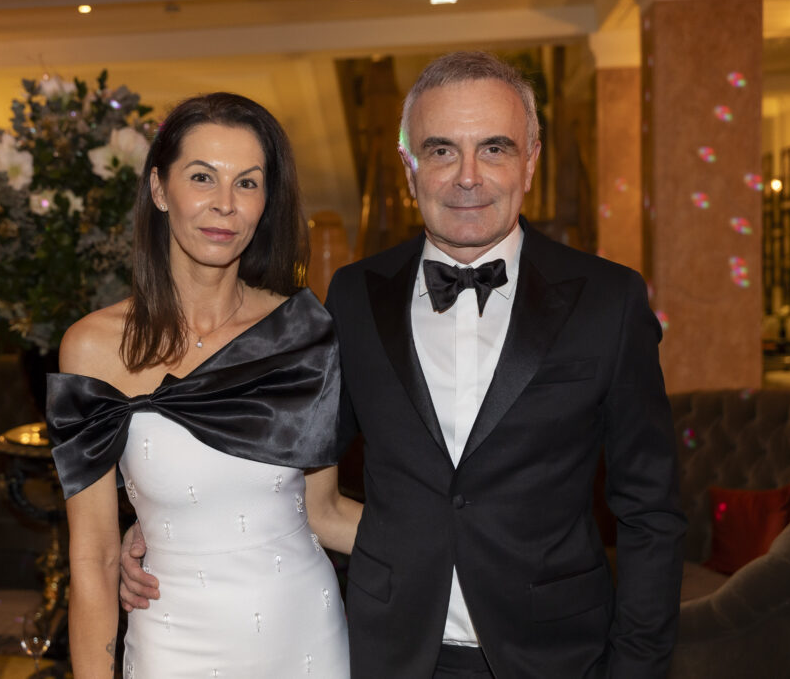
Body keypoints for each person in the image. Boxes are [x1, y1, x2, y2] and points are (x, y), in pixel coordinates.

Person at [122, 52, 687, 678]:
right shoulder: (355, 297)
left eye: (494, 148)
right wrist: (168, 526)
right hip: (389, 654)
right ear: (408, 165)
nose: (467, 177)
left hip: (558, 657)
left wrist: (636, 669)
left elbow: (651, 512)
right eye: (441, 150)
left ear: (530, 159)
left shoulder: (609, 300)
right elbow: (289, 457)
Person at [48, 92, 360, 679]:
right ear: (160, 189)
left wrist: (455, 539)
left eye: (248, 183)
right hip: (172, 642)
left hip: (305, 636)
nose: (225, 204)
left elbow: (324, 511)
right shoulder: (93, 347)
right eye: (202, 177)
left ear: (266, 201)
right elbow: (94, 558)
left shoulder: (303, 332)